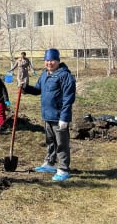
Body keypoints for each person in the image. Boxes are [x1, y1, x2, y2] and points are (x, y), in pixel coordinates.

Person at [23, 48, 76, 182]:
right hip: (47, 115)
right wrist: (26, 88)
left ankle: (63, 169)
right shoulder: (45, 75)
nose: (49, 63)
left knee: (61, 144)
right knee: (50, 142)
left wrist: (64, 118)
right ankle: (50, 163)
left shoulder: (65, 76)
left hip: (59, 117)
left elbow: (68, 98)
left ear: (58, 61)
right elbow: (37, 90)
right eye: (47, 60)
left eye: (52, 60)